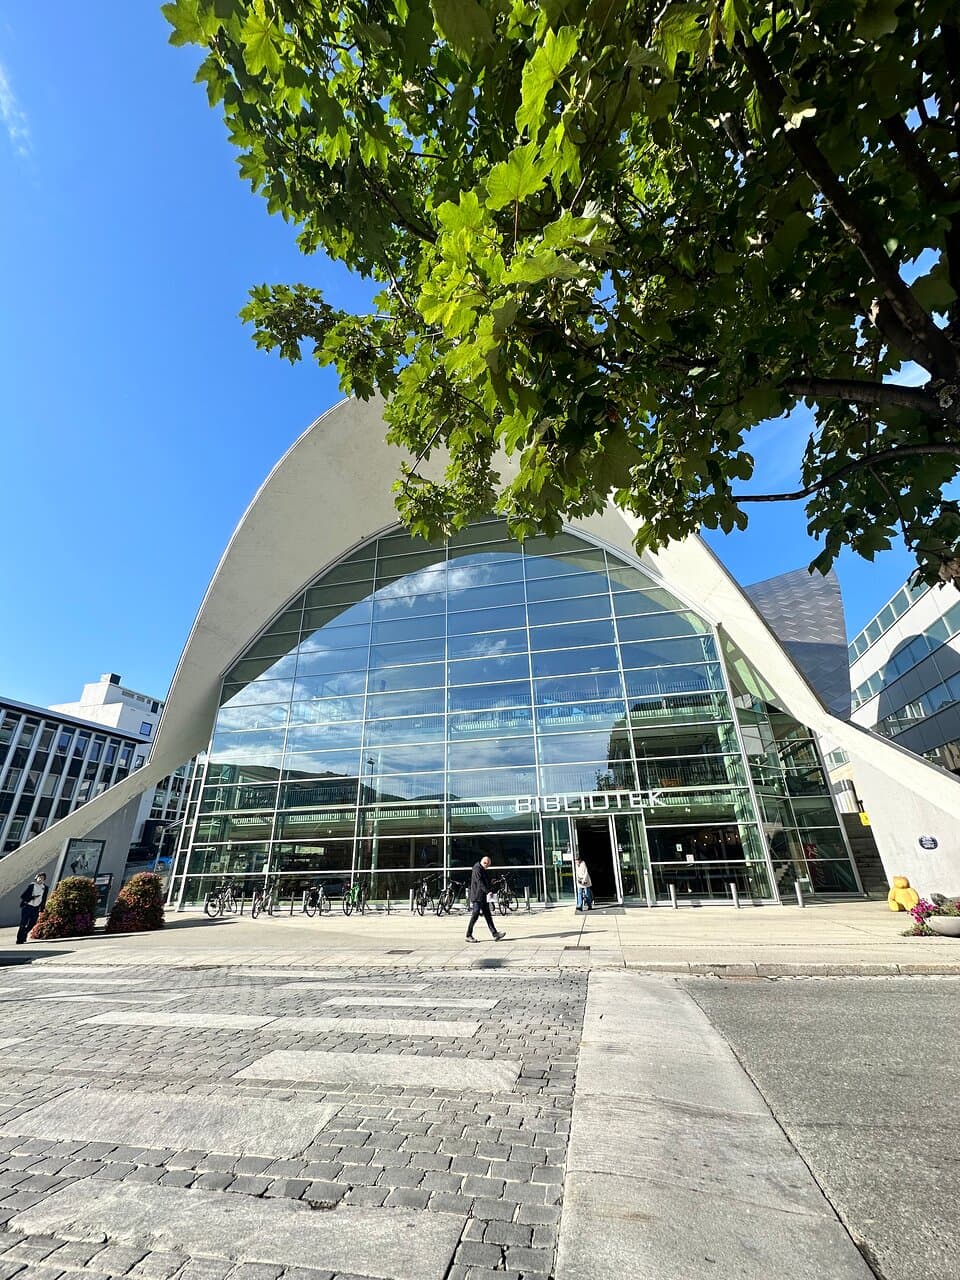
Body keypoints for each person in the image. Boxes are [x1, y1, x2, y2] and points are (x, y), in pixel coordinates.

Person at [465, 855, 505, 943]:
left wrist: (491, 884)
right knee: (475, 914)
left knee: (488, 915)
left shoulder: (482, 869)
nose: (488, 867)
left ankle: (495, 934)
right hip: (477, 896)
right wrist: (488, 891)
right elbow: (479, 882)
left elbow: (485, 881)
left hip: (483, 897)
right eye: (488, 865)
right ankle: (468, 935)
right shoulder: (477, 869)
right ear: (485, 863)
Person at [17, 872, 48, 945]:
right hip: (27, 906)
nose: (41, 879)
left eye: (43, 878)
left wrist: (42, 908)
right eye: (39, 877)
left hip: (36, 908)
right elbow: (23, 896)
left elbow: (44, 899)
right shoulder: (32, 885)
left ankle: (24, 933)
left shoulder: (45, 888)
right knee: (23, 923)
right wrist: (32, 897)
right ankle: (19, 940)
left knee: (33, 923)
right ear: (36, 878)